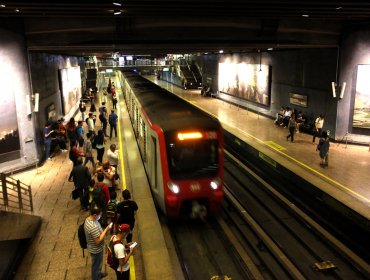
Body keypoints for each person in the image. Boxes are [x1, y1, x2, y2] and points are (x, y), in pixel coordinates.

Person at [84, 205, 111, 280]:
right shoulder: (92, 226)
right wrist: (106, 229)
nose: (100, 216)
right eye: (99, 214)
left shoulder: (88, 219)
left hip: (94, 247)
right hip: (96, 250)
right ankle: (96, 277)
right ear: (95, 215)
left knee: (97, 264)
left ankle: (98, 274)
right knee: (96, 264)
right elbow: (98, 241)